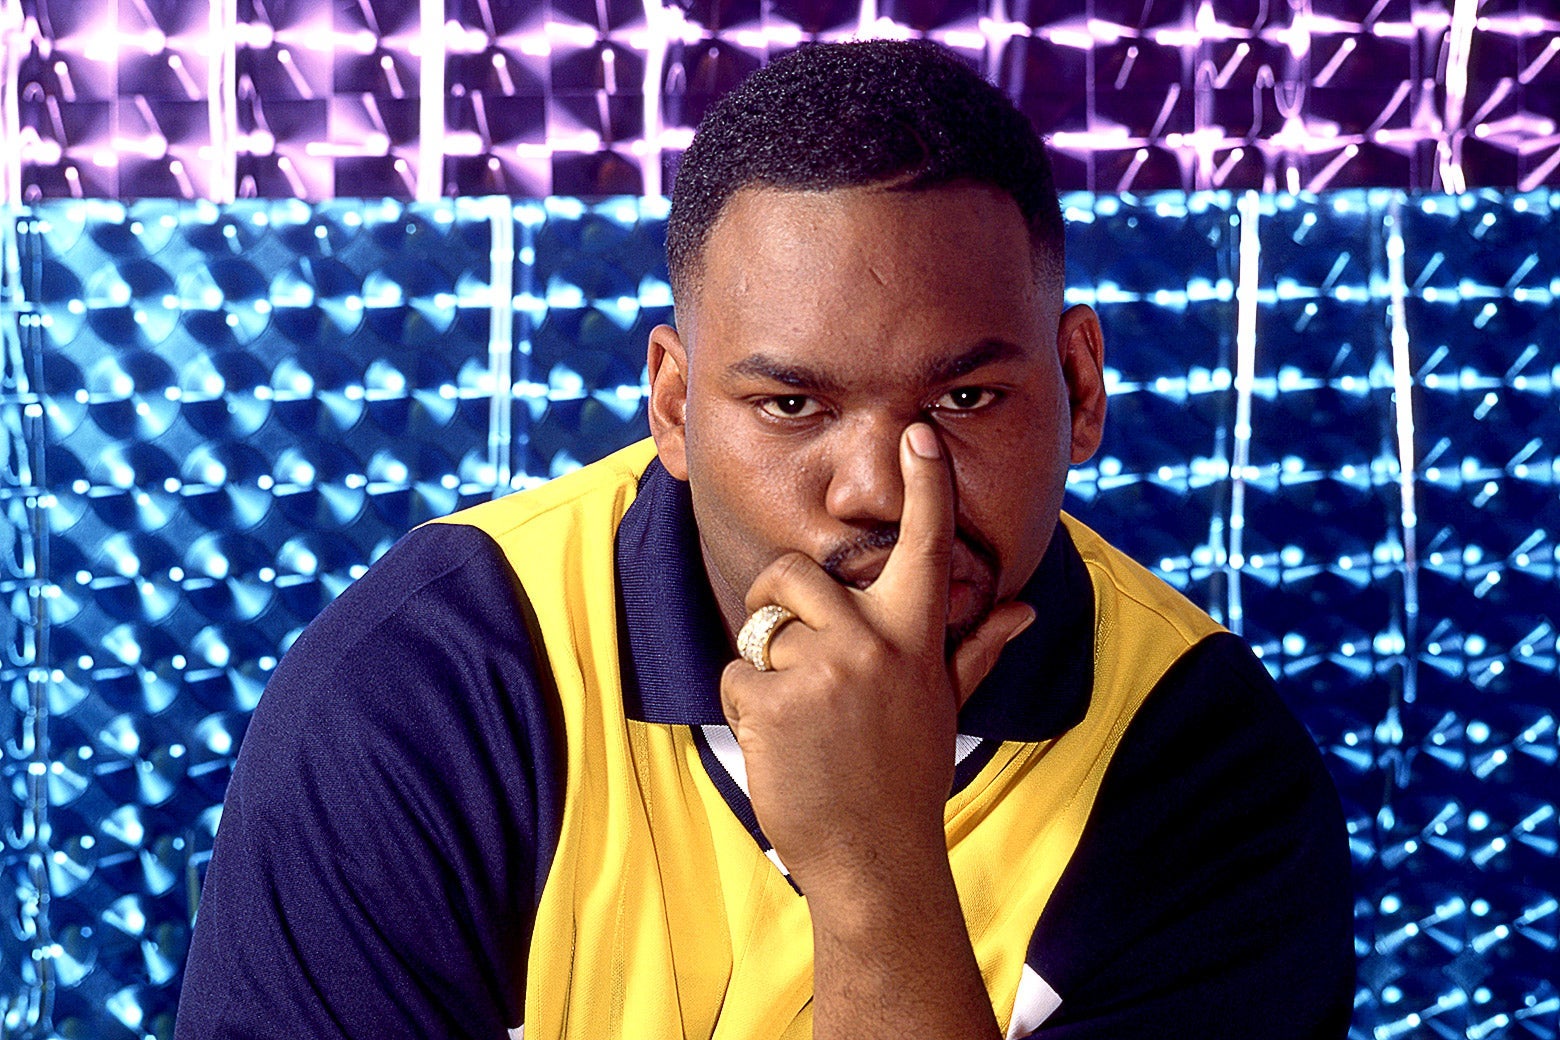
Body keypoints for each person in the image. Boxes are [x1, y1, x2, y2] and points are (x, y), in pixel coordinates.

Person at [175, 39, 1354, 1039]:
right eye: (792, 406)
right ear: (674, 406)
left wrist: (873, 869)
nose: (884, 494)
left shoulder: (1204, 768)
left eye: (964, 402)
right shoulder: (435, 685)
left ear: (1080, 386)